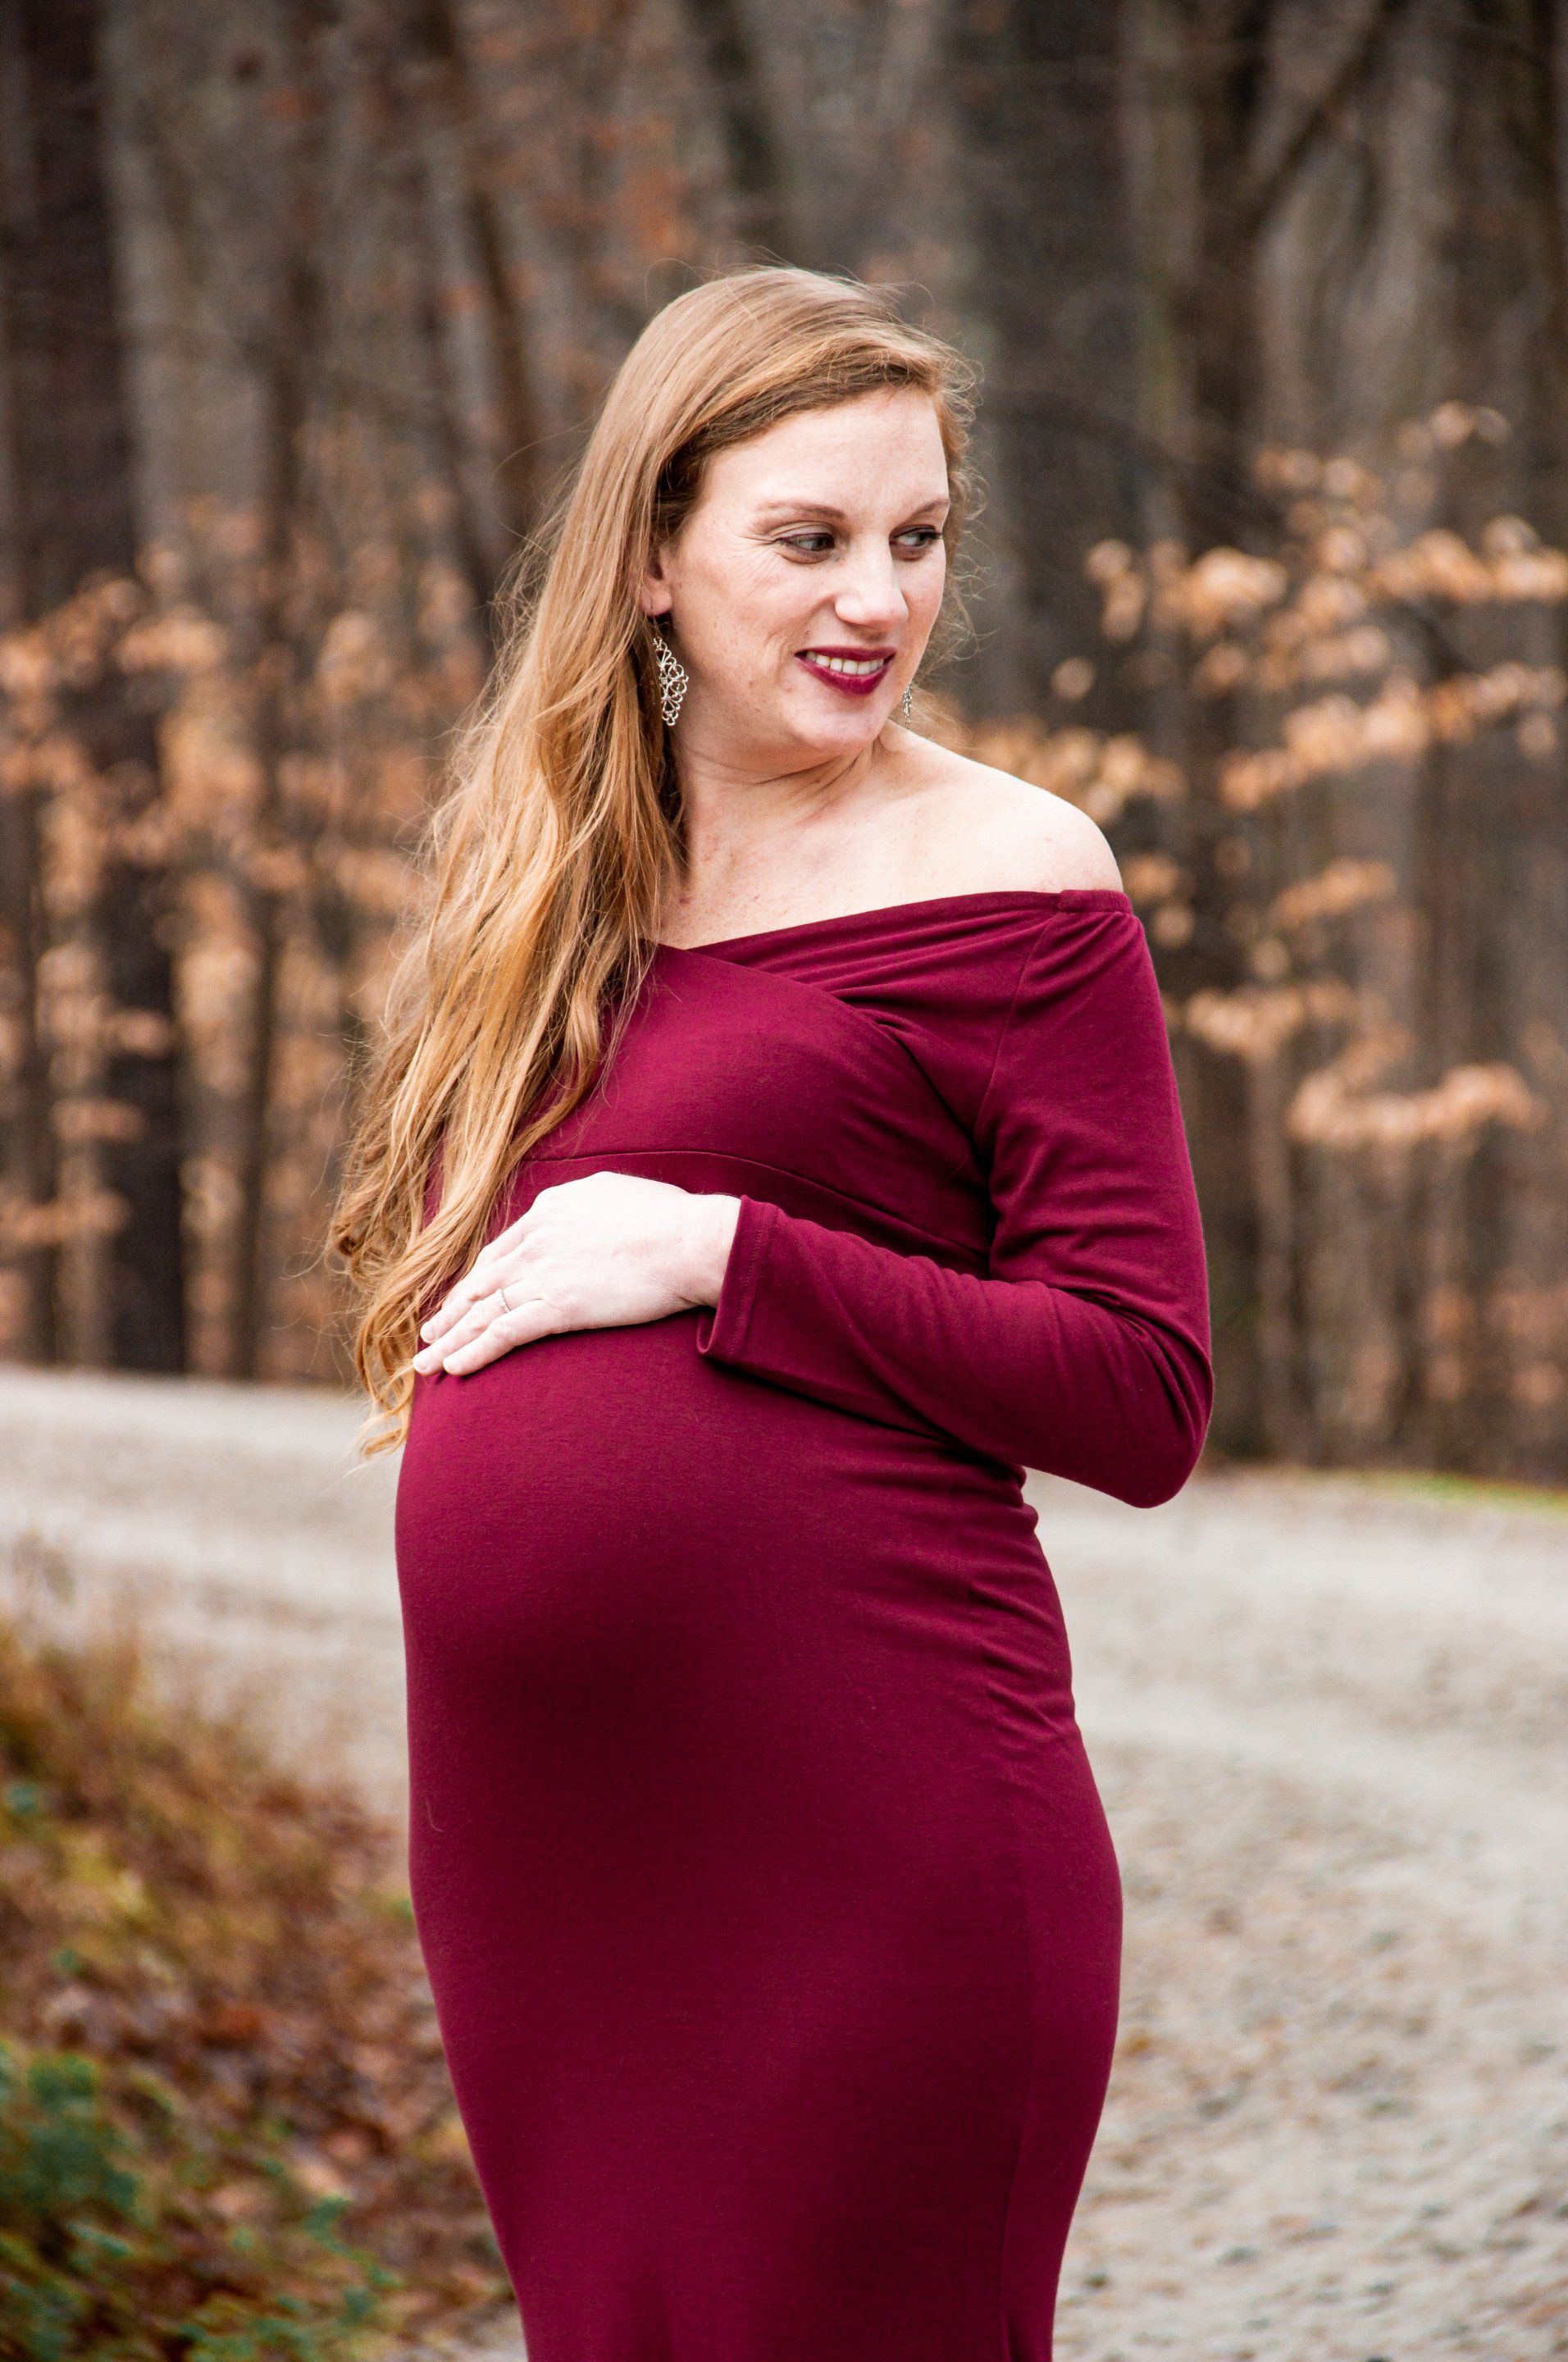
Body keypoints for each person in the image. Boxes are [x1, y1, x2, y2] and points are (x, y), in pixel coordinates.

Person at [330, 264, 1212, 2362]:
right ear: (653, 550)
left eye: (917, 541)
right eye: (807, 539)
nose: (876, 601)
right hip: (554, 1862)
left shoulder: (1018, 874)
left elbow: (1144, 1389)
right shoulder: (548, 881)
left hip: (878, 1828)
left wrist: (732, 1254)